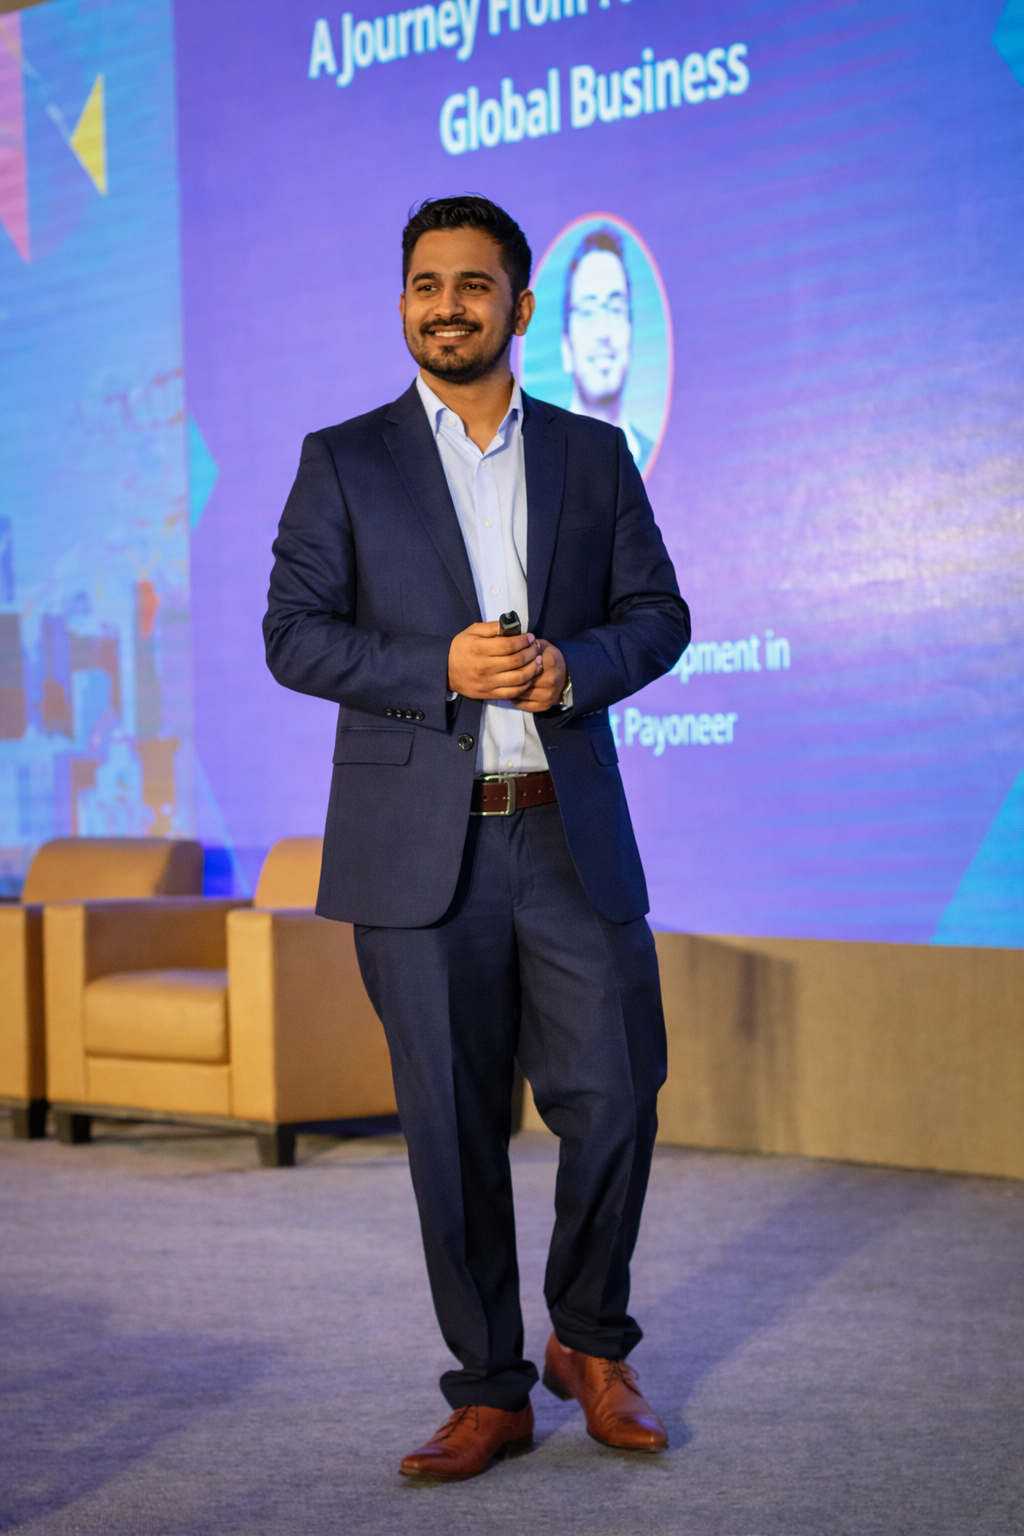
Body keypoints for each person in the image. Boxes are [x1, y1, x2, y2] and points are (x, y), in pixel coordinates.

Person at [264, 196, 690, 1480]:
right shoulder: (344, 459)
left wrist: (572, 670)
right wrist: (438, 669)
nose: (445, 305)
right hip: (417, 852)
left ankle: (590, 1343)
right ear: (403, 303)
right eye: (424, 285)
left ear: (518, 305)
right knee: (450, 1131)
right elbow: (293, 636)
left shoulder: (591, 455)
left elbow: (657, 616)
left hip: (565, 836)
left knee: (615, 1096)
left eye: (472, 284)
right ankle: (490, 1389)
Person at [560, 226, 654, 473]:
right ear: (566, 346)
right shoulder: (537, 463)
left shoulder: (660, 458)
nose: (603, 332)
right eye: (588, 312)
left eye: (615, 309)